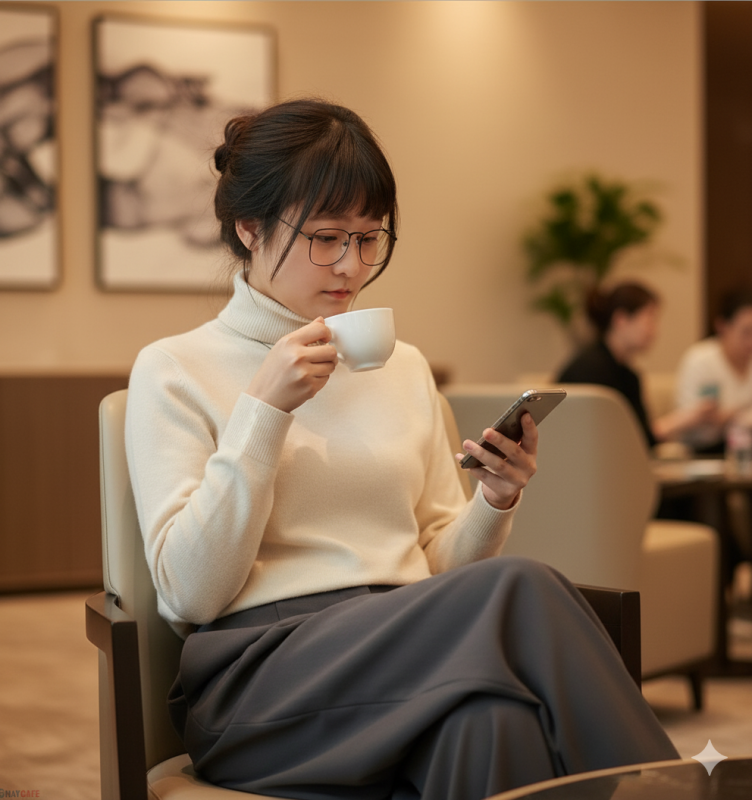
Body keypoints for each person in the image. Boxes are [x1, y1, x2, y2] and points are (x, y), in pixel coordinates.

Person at [125, 99, 678, 800]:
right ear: (249, 228)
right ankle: (671, 787)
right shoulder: (174, 369)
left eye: (368, 238)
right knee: (523, 587)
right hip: (261, 680)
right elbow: (188, 592)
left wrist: (494, 500)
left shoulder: (404, 368)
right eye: (327, 237)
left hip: (410, 649)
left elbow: (440, 566)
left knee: (493, 724)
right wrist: (262, 411)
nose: (351, 265)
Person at [556, 282, 714, 450]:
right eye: (649, 319)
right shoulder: (589, 369)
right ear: (621, 320)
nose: (654, 330)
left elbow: (640, 436)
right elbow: (633, 437)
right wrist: (685, 419)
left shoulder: (628, 376)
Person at [674, 288, 752, 454]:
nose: (750, 342)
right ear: (722, 326)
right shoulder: (700, 361)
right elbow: (690, 424)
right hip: (703, 452)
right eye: (746, 332)